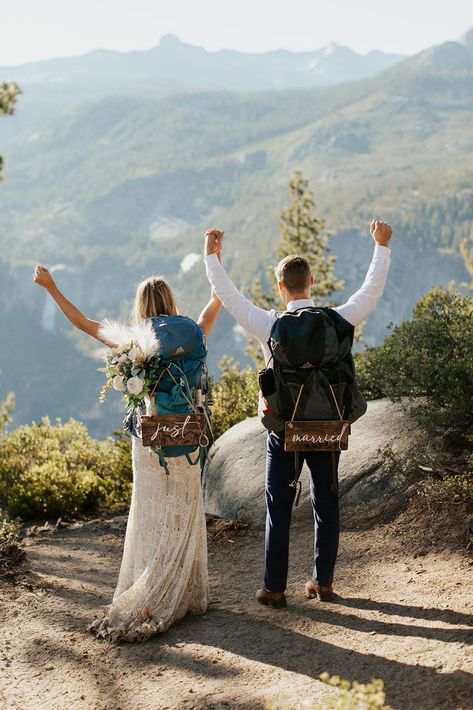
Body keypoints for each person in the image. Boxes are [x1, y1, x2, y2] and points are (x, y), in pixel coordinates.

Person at [203, 221, 392, 608]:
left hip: (285, 431)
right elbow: (371, 290)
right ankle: (323, 583)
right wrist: (381, 246)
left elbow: (229, 295)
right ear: (311, 282)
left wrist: (211, 255)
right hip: (327, 426)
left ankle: (274, 588)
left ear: (280, 287)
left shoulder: (269, 325)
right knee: (327, 502)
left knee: (279, 507)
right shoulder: (338, 320)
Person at [33, 262, 222, 641]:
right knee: (184, 506)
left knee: (151, 509)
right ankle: (184, 591)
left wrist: (51, 287)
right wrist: (219, 276)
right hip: (187, 433)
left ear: (141, 305)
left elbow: (85, 323)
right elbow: (208, 312)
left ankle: (151, 593)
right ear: (170, 301)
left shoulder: (135, 340)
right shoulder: (192, 334)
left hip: (150, 437)